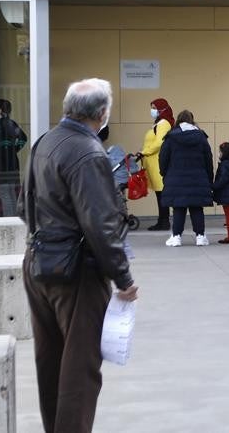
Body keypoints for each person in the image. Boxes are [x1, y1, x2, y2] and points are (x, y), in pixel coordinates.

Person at [22, 78, 137, 433]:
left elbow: (25, 204)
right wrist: (123, 278)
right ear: (102, 113)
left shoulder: (45, 141)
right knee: (80, 372)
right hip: (76, 271)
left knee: (51, 362)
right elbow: (100, 224)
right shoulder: (89, 152)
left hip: (39, 261)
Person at [159, 110, 214, 247]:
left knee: (178, 207)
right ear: (192, 120)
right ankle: (200, 236)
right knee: (197, 208)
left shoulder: (171, 137)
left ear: (178, 120)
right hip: (198, 178)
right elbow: (208, 159)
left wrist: (164, 173)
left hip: (176, 178)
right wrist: (209, 178)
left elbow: (163, 158)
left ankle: (176, 237)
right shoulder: (201, 136)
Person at [0, 98, 27, 216]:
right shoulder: (11, 124)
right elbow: (23, 138)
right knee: (11, 195)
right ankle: (15, 219)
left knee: (5, 195)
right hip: (12, 165)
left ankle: (10, 221)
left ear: (0, 110)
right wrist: (13, 150)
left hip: (1, 167)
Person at [140, 97, 174, 231]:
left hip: (158, 163)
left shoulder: (163, 123)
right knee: (160, 194)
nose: (152, 110)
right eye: (152, 108)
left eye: (154, 108)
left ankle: (164, 222)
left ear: (162, 109)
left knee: (162, 194)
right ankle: (162, 221)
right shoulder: (158, 123)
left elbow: (160, 142)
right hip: (154, 163)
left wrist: (145, 152)